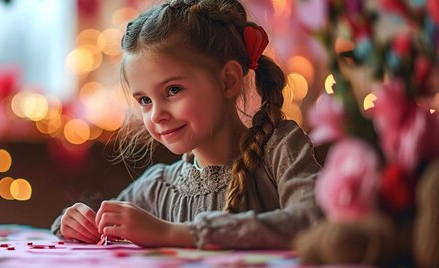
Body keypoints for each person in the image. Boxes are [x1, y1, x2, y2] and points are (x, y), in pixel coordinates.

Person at [51, 0, 322, 249]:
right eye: (145, 99)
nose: (156, 114)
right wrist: (75, 223)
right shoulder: (157, 187)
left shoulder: (280, 150)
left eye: (173, 90)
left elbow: (311, 220)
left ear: (228, 80)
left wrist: (174, 234)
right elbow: (99, 223)